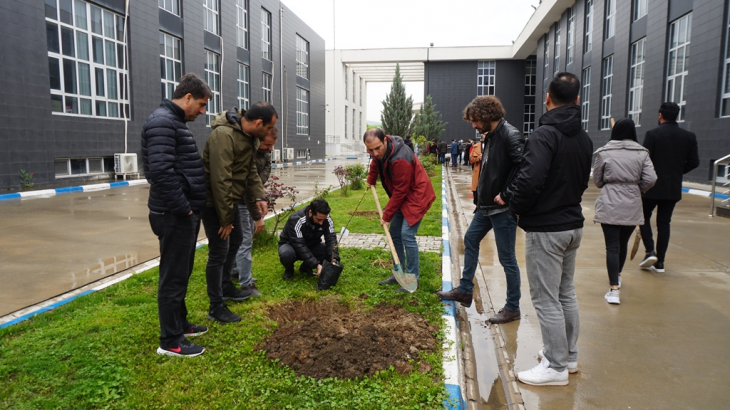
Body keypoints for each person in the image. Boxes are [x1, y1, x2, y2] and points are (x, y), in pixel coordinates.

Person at [507, 72, 593, 386]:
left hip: (547, 229)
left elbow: (530, 180)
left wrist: (516, 206)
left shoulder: (544, 134)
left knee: (546, 298)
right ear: (578, 99)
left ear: (547, 97)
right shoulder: (583, 138)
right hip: (572, 224)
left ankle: (555, 367)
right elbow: (584, 180)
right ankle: (568, 357)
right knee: (565, 293)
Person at [437, 96, 525, 324]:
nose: (474, 125)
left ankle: (512, 307)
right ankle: (465, 291)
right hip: (485, 207)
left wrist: (506, 195)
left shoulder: (510, 135)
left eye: (475, 120)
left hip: (502, 210)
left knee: (507, 260)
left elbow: (524, 170)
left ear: (487, 116)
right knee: (470, 239)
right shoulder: (492, 136)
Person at [141, 73, 211, 357]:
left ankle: (180, 323)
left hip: (181, 213)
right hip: (173, 214)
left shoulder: (172, 122)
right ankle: (170, 341)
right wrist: (184, 208)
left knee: (181, 272)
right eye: (202, 105)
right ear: (188, 98)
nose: (203, 111)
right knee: (173, 276)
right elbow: (160, 172)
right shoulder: (162, 122)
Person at [201, 102, 278, 323]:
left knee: (234, 244)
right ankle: (216, 306)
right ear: (258, 123)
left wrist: (259, 196)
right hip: (214, 202)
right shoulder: (224, 136)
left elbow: (250, 171)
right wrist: (225, 219)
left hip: (230, 201)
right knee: (219, 252)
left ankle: (226, 287)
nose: (267, 134)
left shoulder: (249, 137)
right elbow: (220, 180)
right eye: (267, 128)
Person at [593, 118, 656, 305]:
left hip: (610, 201)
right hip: (632, 202)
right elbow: (651, 178)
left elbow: (597, 180)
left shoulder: (604, 152)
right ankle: (618, 277)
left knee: (612, 246)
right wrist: (638, 188)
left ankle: (613, 289)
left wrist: (610, 184)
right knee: (622, 242)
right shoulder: (642, 153)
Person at [364, 128, 436, 292]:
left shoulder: (400, 158)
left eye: (377, 148)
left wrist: (386, 215)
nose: (374, 153)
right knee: (395, 233)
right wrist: (371, 179)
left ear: (384, 141)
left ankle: (412, 278)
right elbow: (376, 163)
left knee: (406, 234)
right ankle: (398, 273)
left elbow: (400, 192)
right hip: (402, 196)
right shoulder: (380, 153)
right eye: (370, 150)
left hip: (416, 196)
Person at [638, 102, 699, 272]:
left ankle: (650, 251)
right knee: (664, 223)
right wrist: (678, 172)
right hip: (672, 187)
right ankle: (660, 262)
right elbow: (694, 162)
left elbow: (644, 161)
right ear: (677, 116)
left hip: (651, 186)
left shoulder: (652, 134)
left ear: (660, 116)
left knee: (642, 218)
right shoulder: (689, 136)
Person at [229, 109, 279, 299]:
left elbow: (262, 177)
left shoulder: (262, 154)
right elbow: (251, 187)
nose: (270, 149)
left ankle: (235, 271)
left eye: (273, 145)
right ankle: (245, 283)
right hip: (242, 202)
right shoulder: (249, 153)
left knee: (239, 241)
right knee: (245, 242)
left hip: (246, 201)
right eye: (267, 144)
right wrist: (257, 218)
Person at [278, 198, 339, 279]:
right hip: (291, 245)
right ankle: (289, 269)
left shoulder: (327, 219)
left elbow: (331, 239)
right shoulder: (296, 219)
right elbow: (299, 245)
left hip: (311, 245)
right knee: (286, 254)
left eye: (323, 219)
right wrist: (316, 265)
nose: (321, 223)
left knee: (326, 250)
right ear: (311, 212)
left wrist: (334, 259)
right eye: (319, 219)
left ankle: (306, 267)